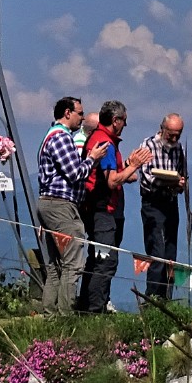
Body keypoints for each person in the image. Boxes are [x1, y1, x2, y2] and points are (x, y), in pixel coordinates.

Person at [37, 97, 109, 315]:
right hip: (61, 206)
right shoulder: (61, 138)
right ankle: (65, 314)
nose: (82, 117)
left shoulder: (51, 136)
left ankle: (50, 312)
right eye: (80, 113)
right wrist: (93, 158)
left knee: (55, 266)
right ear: (67, 113)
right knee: (72, 263)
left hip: (49, 204)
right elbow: (75, 173)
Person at [78, 100, 149, 313]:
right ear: (115, 120)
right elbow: (111, 181)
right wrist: (134, 165)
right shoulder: (104, 143)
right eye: (124, 121)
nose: (125, 126)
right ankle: (95, 309)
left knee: (96, 258)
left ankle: (86, 305)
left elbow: (114, 174)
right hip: (102, 210)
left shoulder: (101, 139)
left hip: (100, 208)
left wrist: (127, 167)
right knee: (105, 260)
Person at [139, 114, 189, 302]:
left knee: (170, 254)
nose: (174, 140)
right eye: (171, 135)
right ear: (162, 130)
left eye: (178, 135)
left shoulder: (179, 150)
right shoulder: (148, 145)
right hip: (153, 202)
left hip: (170, 202)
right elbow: (146, 178)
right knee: (157, 253)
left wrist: (180, 183)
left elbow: (183, 174)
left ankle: (166, 297)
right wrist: (167, 182)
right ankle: (152, 297)